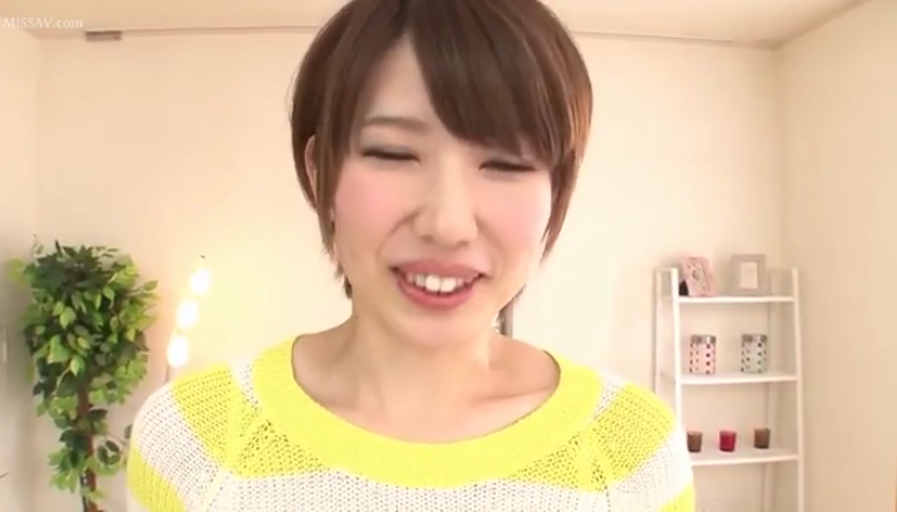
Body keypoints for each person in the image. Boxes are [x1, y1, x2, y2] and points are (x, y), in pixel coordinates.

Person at [125, 0, 695, 510]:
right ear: (319, 172)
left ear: (558, 189)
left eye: (505, 164)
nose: (447, 224)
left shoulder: (632, 452)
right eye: (394, 154)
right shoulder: (192, 440)